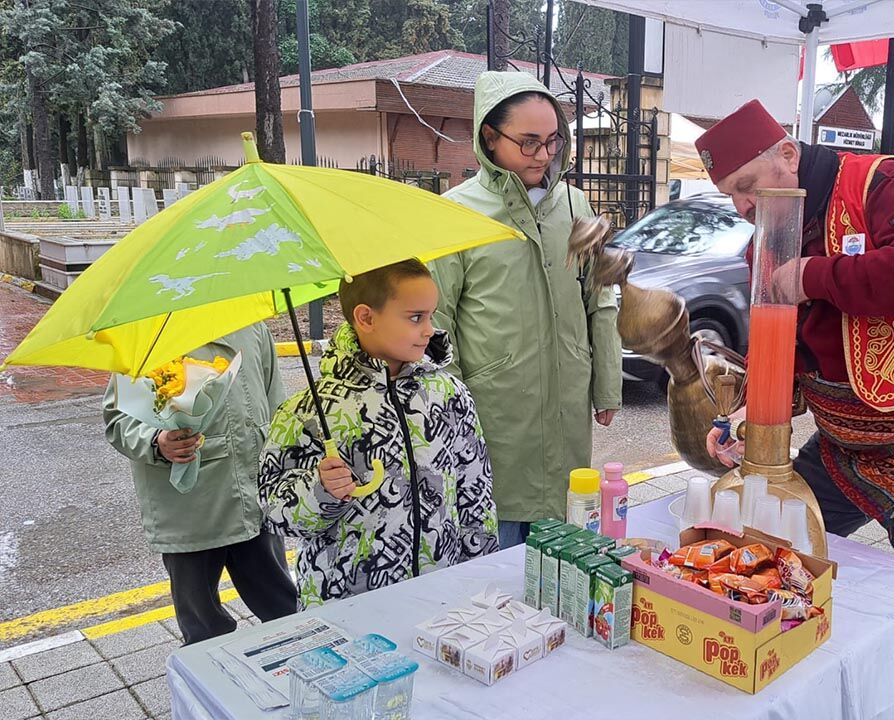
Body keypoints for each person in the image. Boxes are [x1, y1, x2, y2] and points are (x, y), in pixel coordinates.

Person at [698, 100, 894, 720]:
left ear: (788, 154)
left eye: (746, 186)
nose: (741, 207)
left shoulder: (876, 182)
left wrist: (815, 276)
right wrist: (743, 417)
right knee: (771, 546)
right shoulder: (766, 244)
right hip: (847, 448)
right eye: (729, 195)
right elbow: (785, 351)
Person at [430, 70, 623, 549]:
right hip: (495, 412)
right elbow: (437, 321)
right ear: (490, 138)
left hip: (566, 405)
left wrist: (607, 383)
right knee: (498, 548)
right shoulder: (455, 214)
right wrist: (452, 411)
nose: (544, 155)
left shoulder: (574, 205)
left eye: (553, 141)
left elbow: (600, 297)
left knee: (564, 550)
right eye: (529, 142)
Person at [258, 260, 498, 608]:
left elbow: (475, 493)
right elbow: (274, 512)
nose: (429, 330)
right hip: (345, 606)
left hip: (440, 595)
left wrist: (479, 576)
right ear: (366, 318)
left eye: (431, 316)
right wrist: (320, 490)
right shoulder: (308, 411)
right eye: (416, 318)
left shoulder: (450, 395)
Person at [103, 323, 297, 645]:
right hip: (189, 509)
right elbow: (119, 418)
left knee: (284, 609)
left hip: (254, 497)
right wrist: (157, 441)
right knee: (203, 627)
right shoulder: (145, 331)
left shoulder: (251, 325)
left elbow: (277, 405)